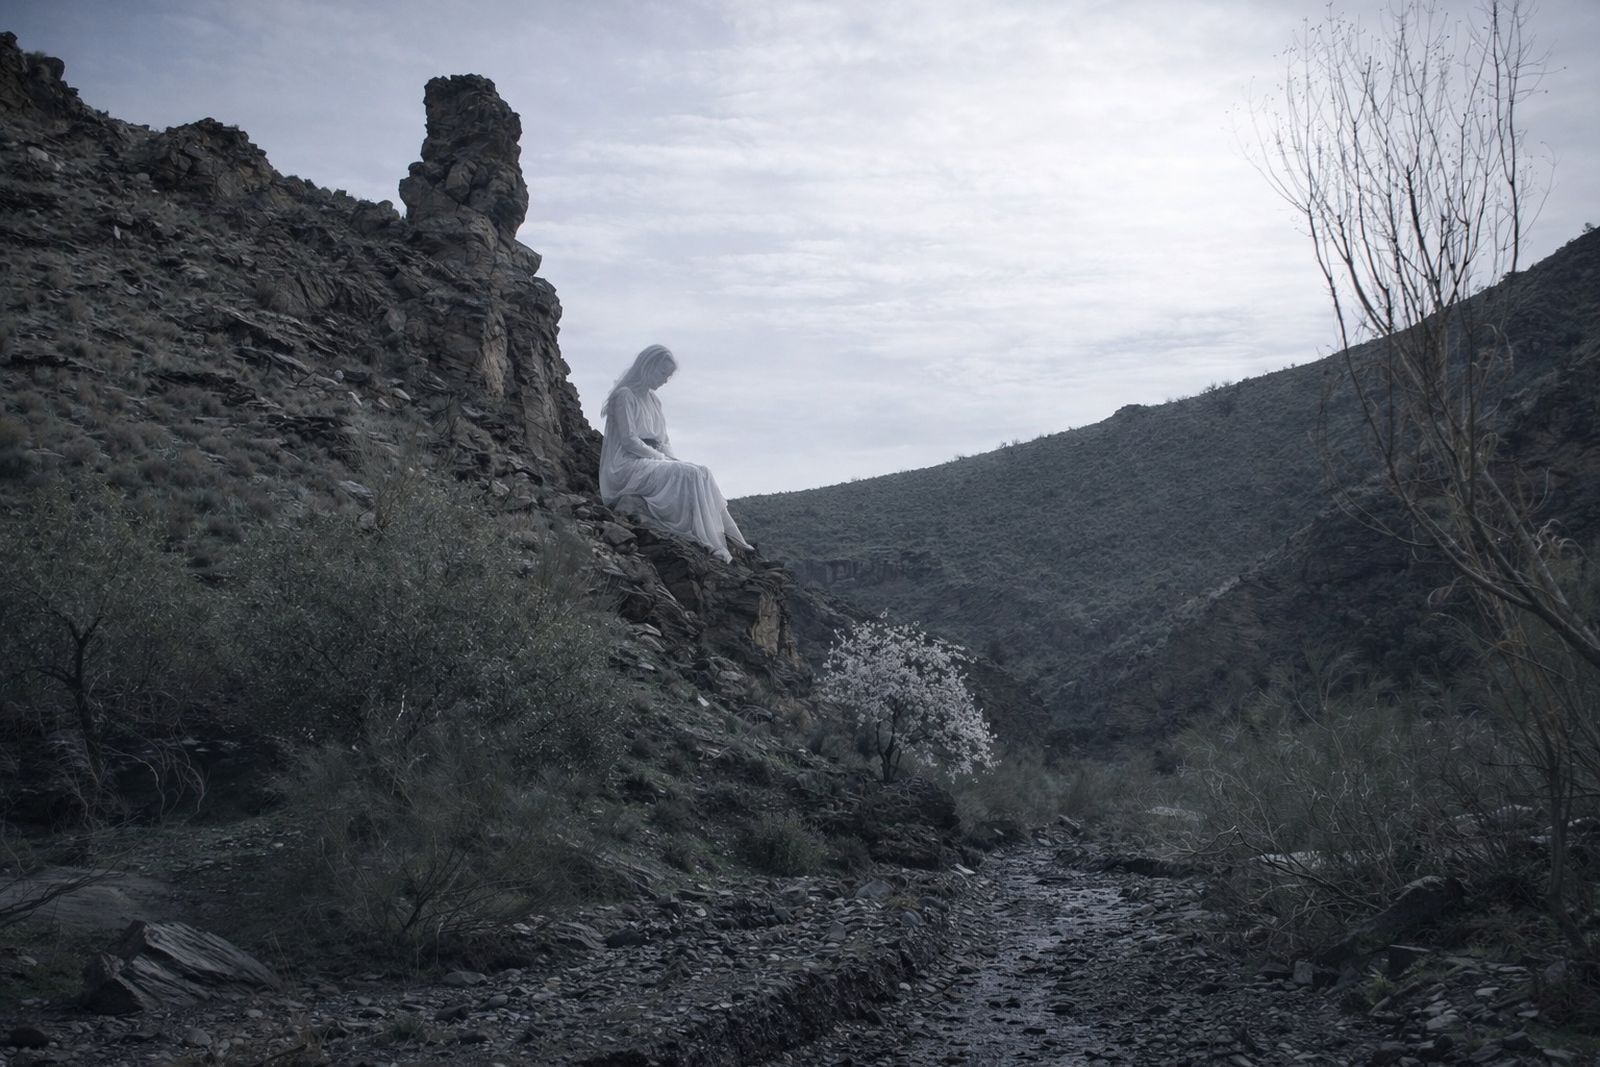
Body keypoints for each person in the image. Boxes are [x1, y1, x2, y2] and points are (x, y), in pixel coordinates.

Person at [600, 344, 753, 563]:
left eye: (668, 376)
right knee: (688, 474)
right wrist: (662, 459)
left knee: (703, 472)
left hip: (652, 457)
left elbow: (664, 440)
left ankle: (736, 539)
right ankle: (711, 542)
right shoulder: (624, 396)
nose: (665, 380)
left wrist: (670, 459)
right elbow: (629, 441)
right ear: (648, 367)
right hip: (627, 464)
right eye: (663, 373)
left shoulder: (654, 400)